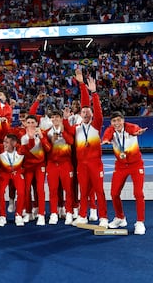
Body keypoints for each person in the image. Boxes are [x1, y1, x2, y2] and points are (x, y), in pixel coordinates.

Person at [63, 70, 108, 228]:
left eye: (88, 112)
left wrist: (93, 92)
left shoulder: (96, 125)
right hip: (82, 164)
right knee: (83, 190)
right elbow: (66, 129)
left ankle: (103, 217)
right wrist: (64, 118)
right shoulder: (77, 128)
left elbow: (98, 112)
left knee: (99, 191)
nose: (86, 113)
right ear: (80, 115)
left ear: (91, 114)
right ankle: (82, 215)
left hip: (95, 164)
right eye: (84, 112)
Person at [102, 111, 147, 235]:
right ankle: (120, 218)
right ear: (111, 122)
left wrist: (138, 132)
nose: (117, 123)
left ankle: (140, 222)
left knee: (138, 193)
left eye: (119, 120)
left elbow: (135, 130)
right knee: (114, 193)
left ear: (123, 120)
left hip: (136, 164)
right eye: (114, 121)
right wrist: (105, 140)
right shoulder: (110, 130)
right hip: (121, 166)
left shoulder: (130, 127)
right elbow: (106, 136)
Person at [0, 133, 28, 227]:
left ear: (14, 143)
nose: (4, 144)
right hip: (4, 173)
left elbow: (30, 146)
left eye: (7, 142)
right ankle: (2, 216)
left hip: (17, 172)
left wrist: (31, 136)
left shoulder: (20, 149)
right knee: (1, 192)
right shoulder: (0, 148)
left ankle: (18, 215)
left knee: (21, 192)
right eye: (4, 141)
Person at [20, 114, 51, 226]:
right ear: (25, 124)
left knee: (39, 189)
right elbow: (25, 153)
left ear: (37, 124)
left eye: (33, 122)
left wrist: (42, 138)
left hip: (40, 166)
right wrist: (32, 139)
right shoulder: (23, 138)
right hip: (28, 167)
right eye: (28, 123)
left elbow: (48, 149)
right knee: (26, 190)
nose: (31, 125)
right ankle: (28, 212)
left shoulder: (42, 134)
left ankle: (41, 214)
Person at [45, 110, 74, 225]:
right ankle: (53, 213)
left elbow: (71, 141)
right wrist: (51, 142)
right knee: (53, 190)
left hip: (65, 164)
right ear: (51, 119)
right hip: (52, 164)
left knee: (68, 190)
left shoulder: (67, 129)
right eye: (53, 117)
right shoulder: (47, 132)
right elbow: (46, 149)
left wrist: (64, 133)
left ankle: (69, 213)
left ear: (61, 119)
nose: (55, 119)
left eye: (57, 117)